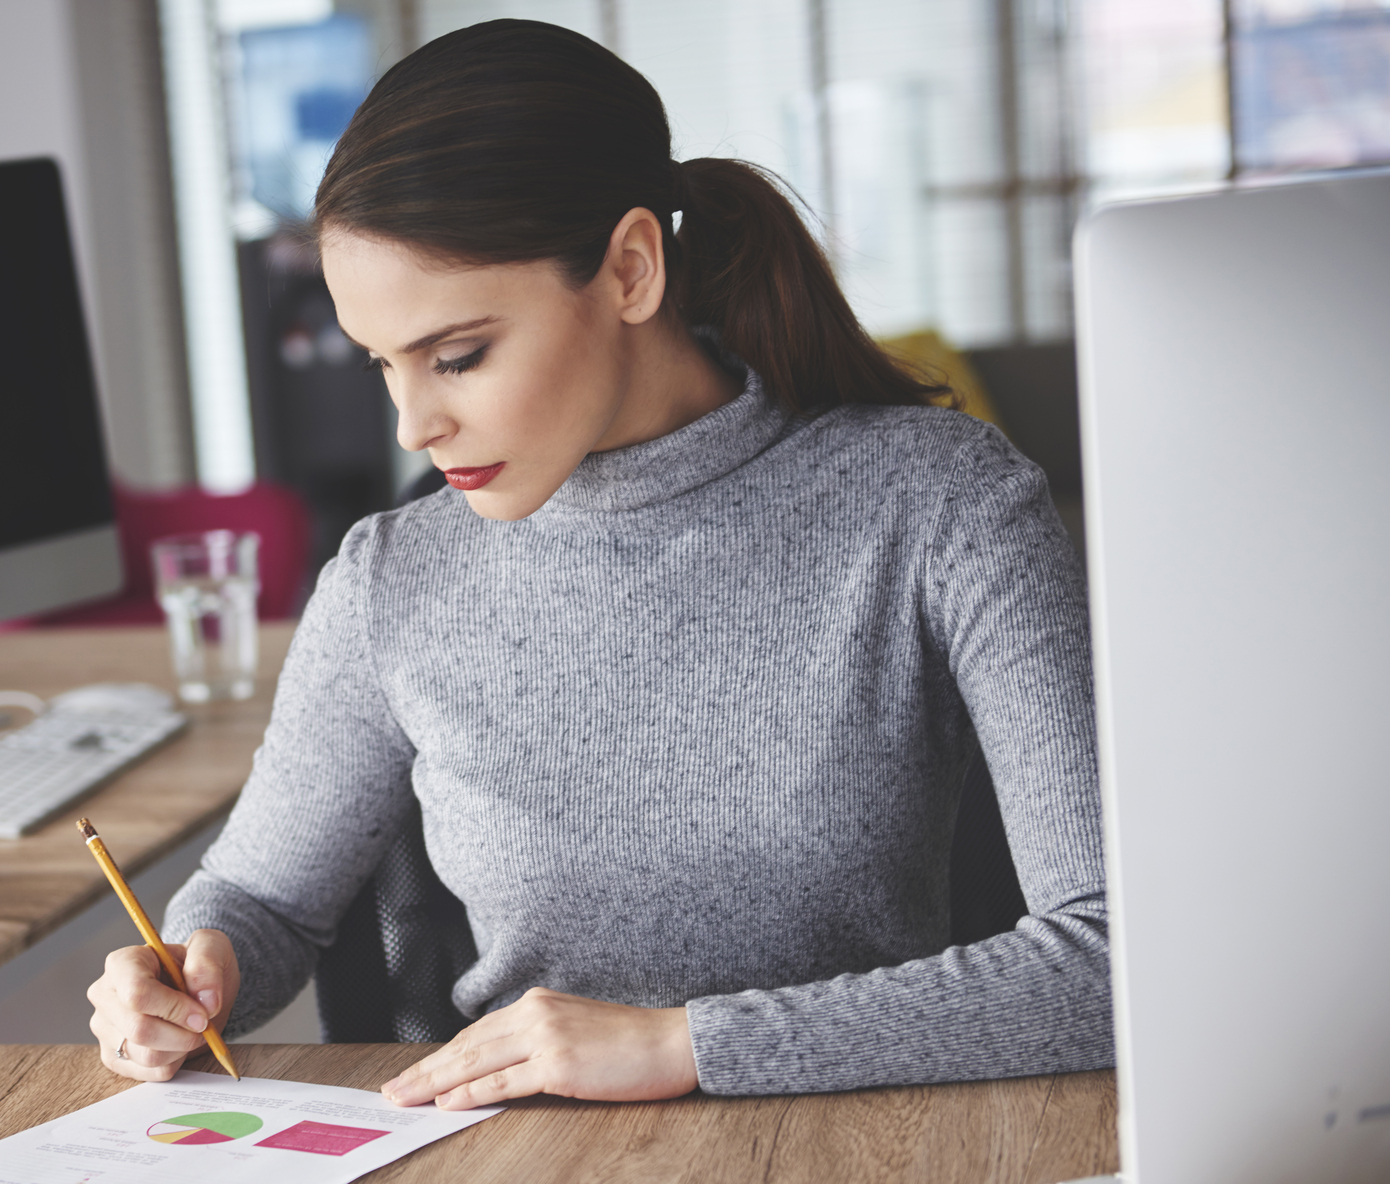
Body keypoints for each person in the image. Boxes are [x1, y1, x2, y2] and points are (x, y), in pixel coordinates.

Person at [87, 19, 1108, 1111]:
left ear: (628, 269)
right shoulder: (393, 577)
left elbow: (1107, 965)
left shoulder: (939, 502)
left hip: (865, 1157)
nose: (412, 425)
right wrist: (190, 969)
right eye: (382, 363)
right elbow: (261, 898)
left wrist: (685, 1046)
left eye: (459, 355)